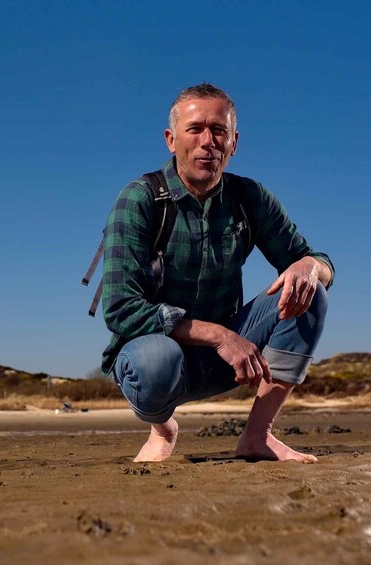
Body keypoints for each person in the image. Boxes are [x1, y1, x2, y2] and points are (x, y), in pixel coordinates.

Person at [101, 83, 334, 463]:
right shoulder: (139, 199)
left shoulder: (250, 198)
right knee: (155, 361)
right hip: (156, 362)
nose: (208, 141)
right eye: (195, 129)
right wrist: (219, 336)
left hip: (232, 362)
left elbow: (314, 259)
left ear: (234, 143)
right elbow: (120, 309)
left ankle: (259, 436)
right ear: (171, 140)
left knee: (309, 291)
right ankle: (162, 430)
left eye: (219, 130)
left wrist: (311, 266)